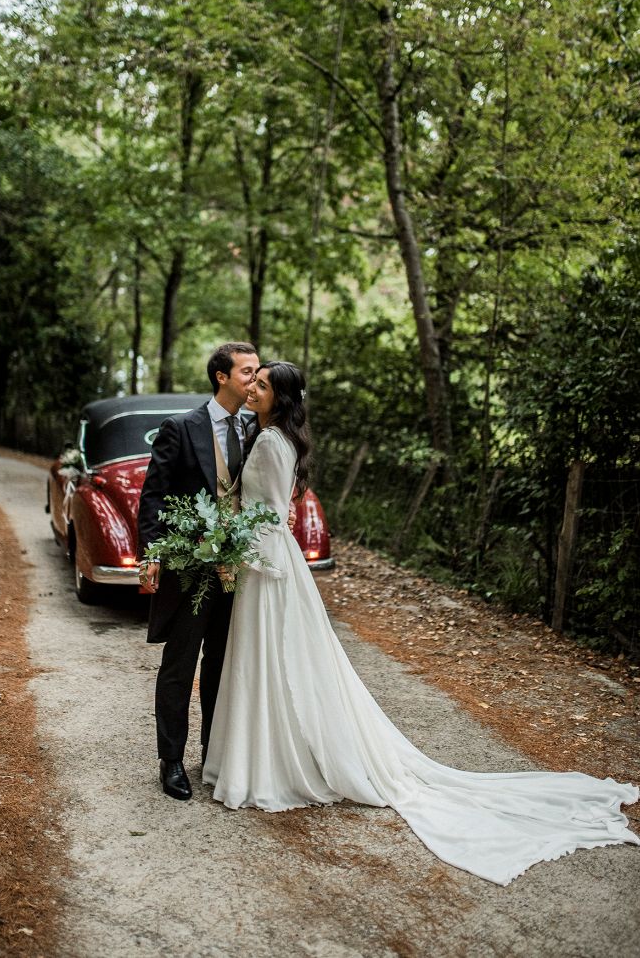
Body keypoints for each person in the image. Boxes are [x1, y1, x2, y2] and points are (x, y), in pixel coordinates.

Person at [203, 360, 640, 886]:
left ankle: (271, 765)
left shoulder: (274, 443)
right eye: (254, 381)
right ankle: (264, 755)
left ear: (282, 396)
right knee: (270, 660)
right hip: (268, 561)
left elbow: (271, 516)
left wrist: (233, 548)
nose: (255, 388)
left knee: (273, 658)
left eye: (264, 385)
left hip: (267, 562)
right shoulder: (270, 433)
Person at [137, 341, 259, 800]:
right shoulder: (181, 427)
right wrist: (151, 554)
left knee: (222, 666)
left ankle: (212, 752)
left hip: (237, 570)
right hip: (189, 569)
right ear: (221, 377)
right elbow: (154, 495)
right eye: (247, 372)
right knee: (179, 664)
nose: (254, 379)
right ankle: (170, 761)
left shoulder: (254, 429)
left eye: (256, 372)